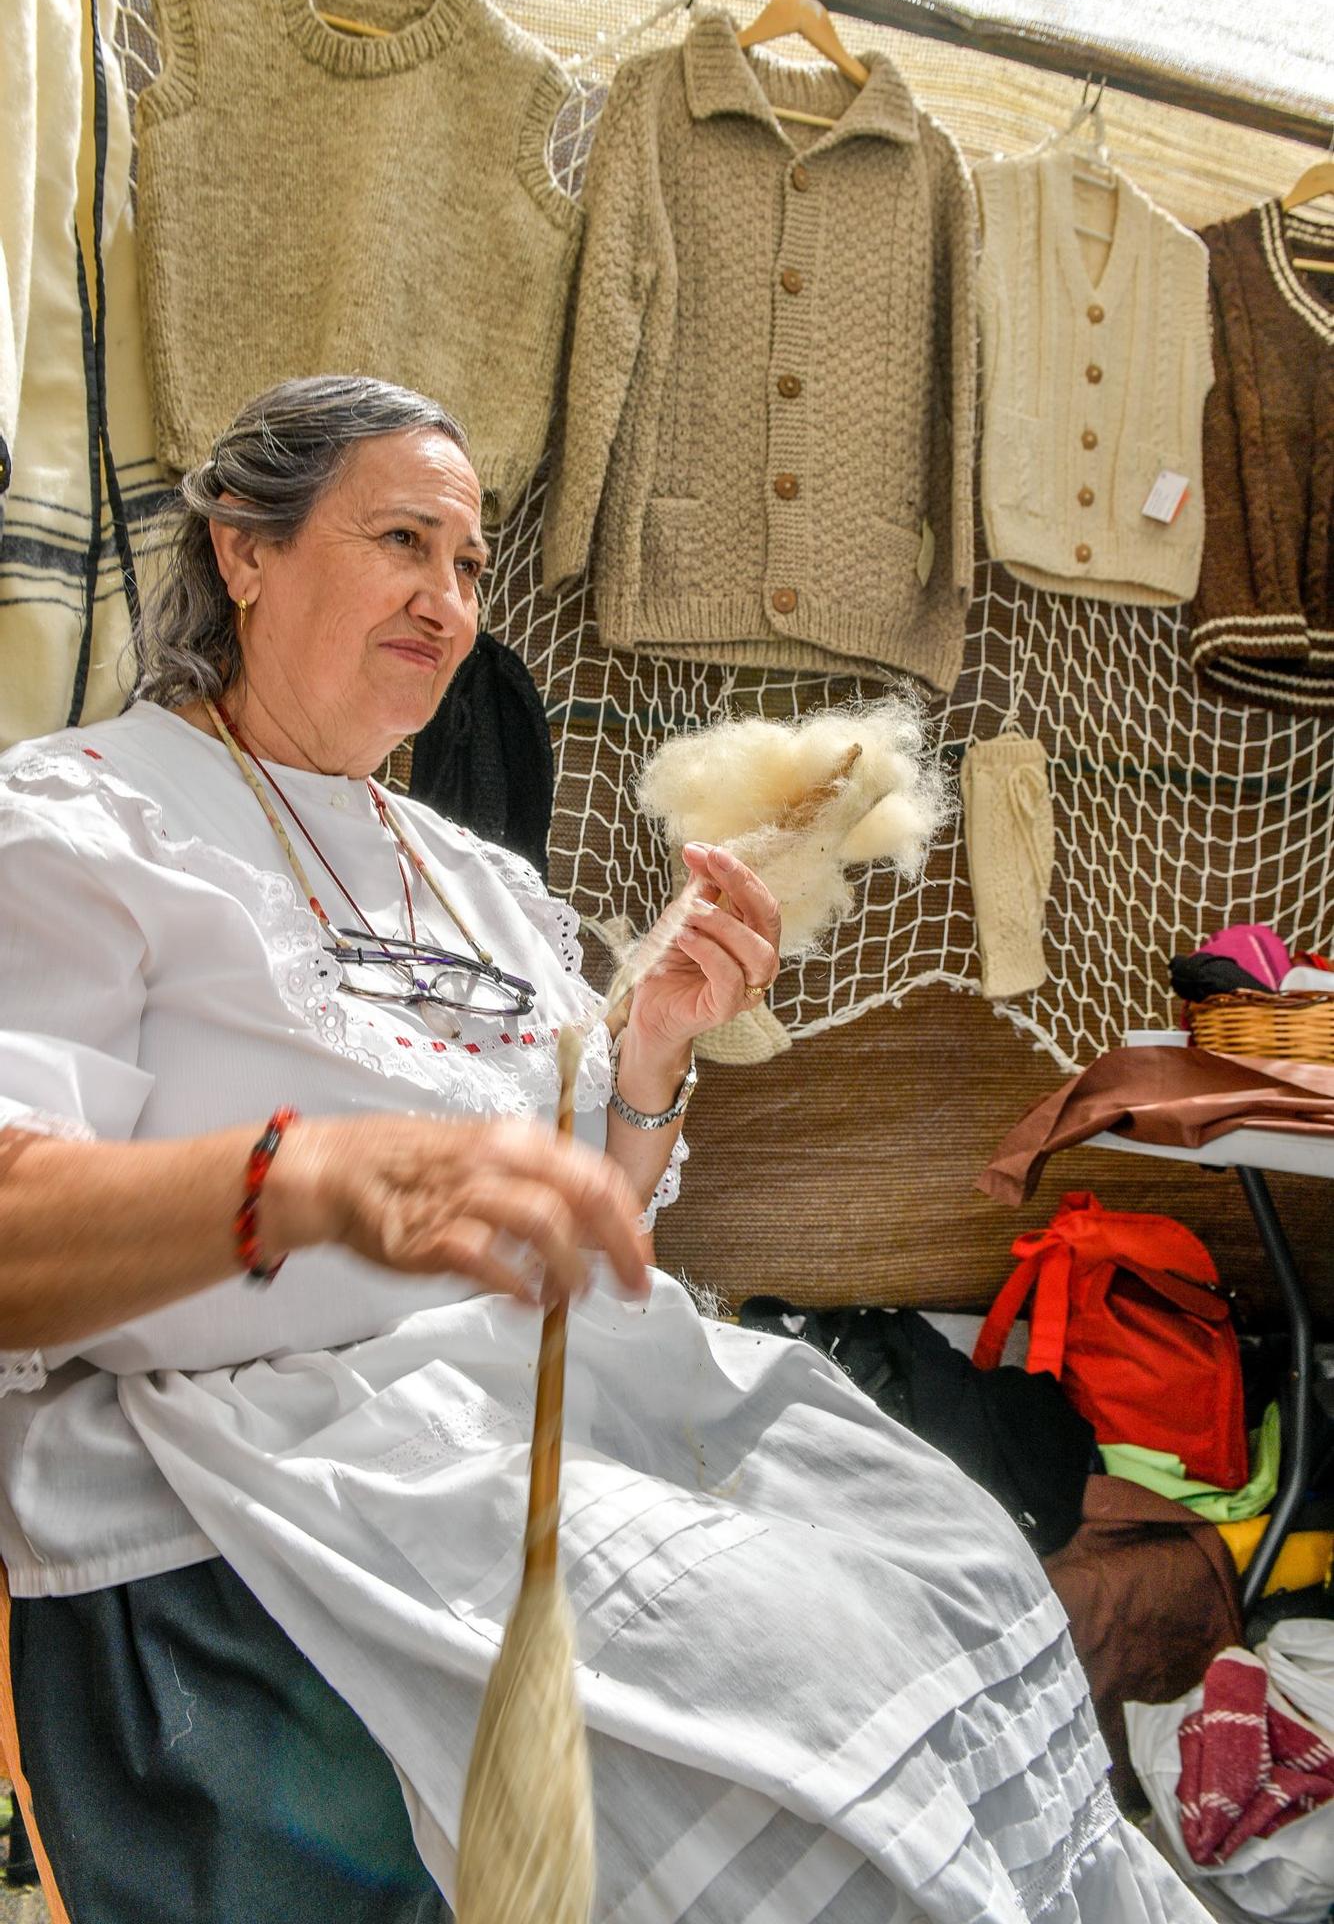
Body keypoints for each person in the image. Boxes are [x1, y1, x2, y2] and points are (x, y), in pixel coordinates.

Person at [0, 377, 1205, 1923]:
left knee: (957, 1578)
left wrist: (651, 1057)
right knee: (801, 1702)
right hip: (268, 1455)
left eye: (470, 565)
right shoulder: (83, 819)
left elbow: (584, 1223)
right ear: (244, 550)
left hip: (536, 1404)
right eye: (401, 542)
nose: (447, 601)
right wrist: (300, 1180)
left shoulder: (472, 881)